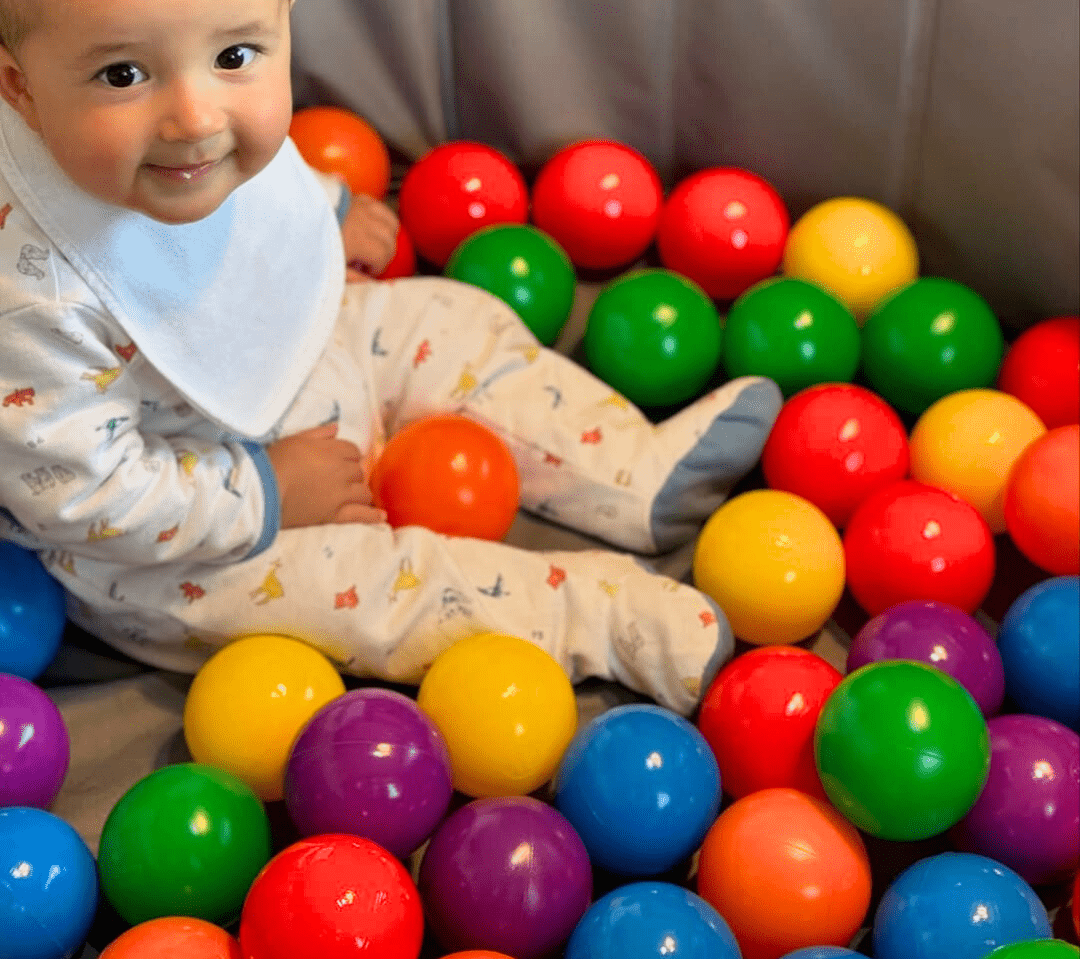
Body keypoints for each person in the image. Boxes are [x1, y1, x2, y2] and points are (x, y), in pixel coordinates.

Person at [0, 0, 781, 715]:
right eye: (123, 75)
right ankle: (609, 618)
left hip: (313, 357)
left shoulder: (181, 133)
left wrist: (321, 208)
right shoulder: (33, 302)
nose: (196, 118)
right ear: (20, 89)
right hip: (183, 538)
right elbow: (88, 498)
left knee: (452, 320)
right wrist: (266, 493)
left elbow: (260, 172)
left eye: (235, 56)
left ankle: (630, 472)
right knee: (379, 594)